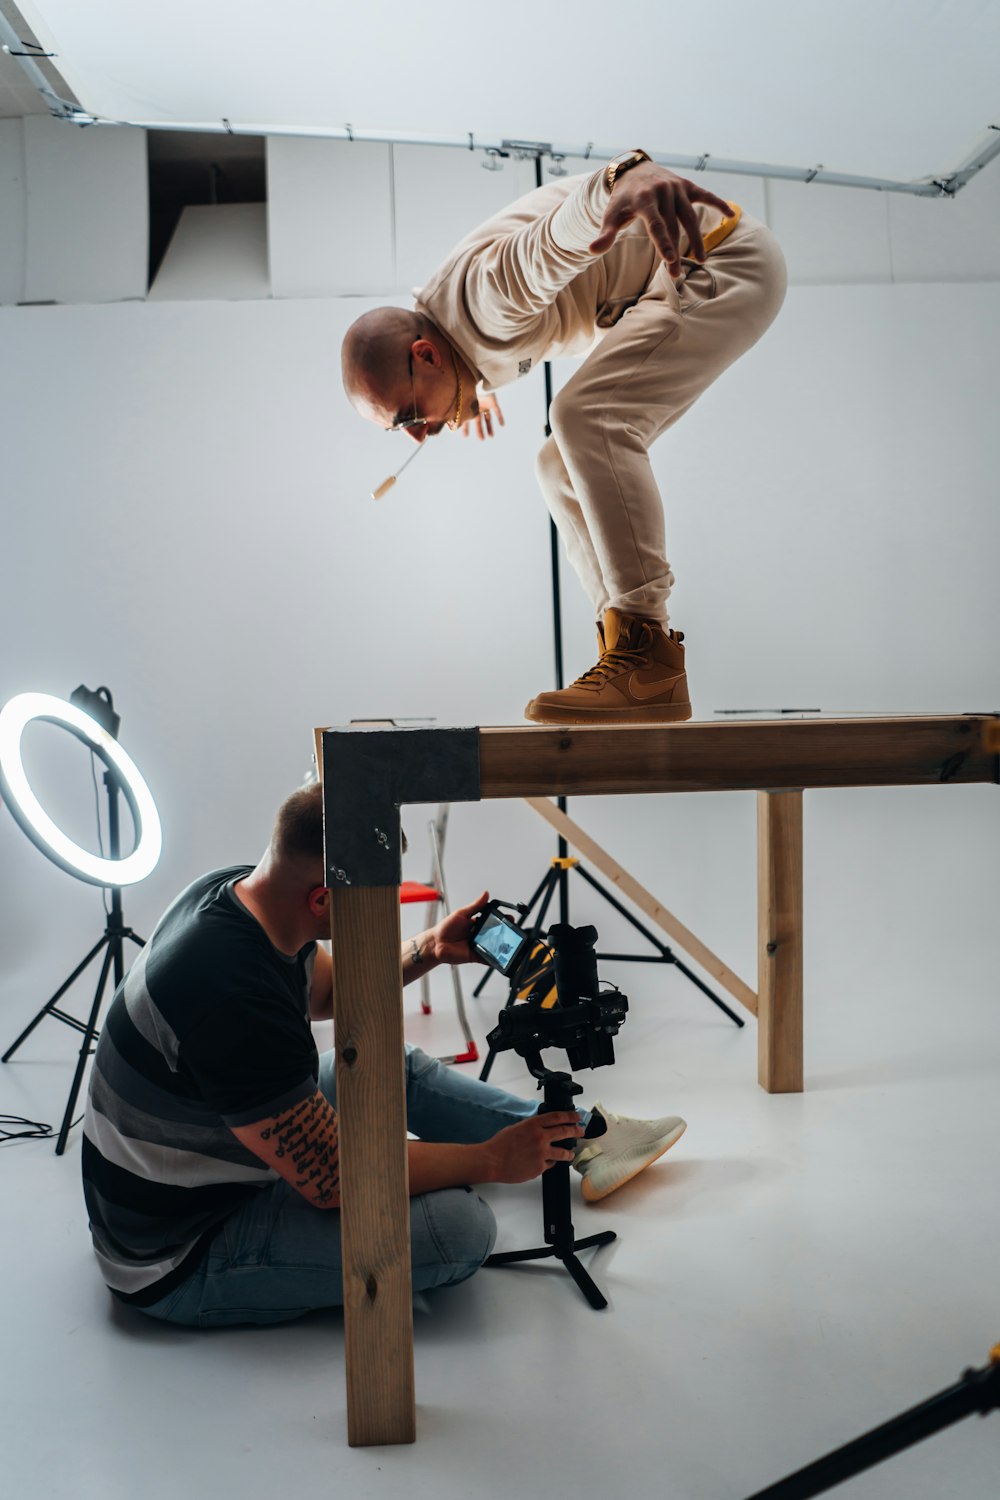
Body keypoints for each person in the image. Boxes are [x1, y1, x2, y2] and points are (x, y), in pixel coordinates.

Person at [82, 782, 686, 1327]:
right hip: (178, 1253)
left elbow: (324, 988)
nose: (385, 912)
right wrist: (491, 1161)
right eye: (377, 899)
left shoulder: (238, 897)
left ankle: (583, 1139)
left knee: (386, 1062)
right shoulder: (231, 994)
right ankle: (529, 1143)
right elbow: (334, 1179)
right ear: (322, 899)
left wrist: (428, 947)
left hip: (212, 1152)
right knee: (460, 1228)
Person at [342, 149, 787, 724]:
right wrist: (468, 389)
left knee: (585, 416)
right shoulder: (457, 330)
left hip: (720, 261)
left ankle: (646, 658)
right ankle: (624, 648)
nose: (421, 435)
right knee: (556, 465)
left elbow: (548, 246)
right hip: (695, 273)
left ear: (425, 355)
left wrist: (621, 181)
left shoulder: (483, 302)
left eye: (408, 418)